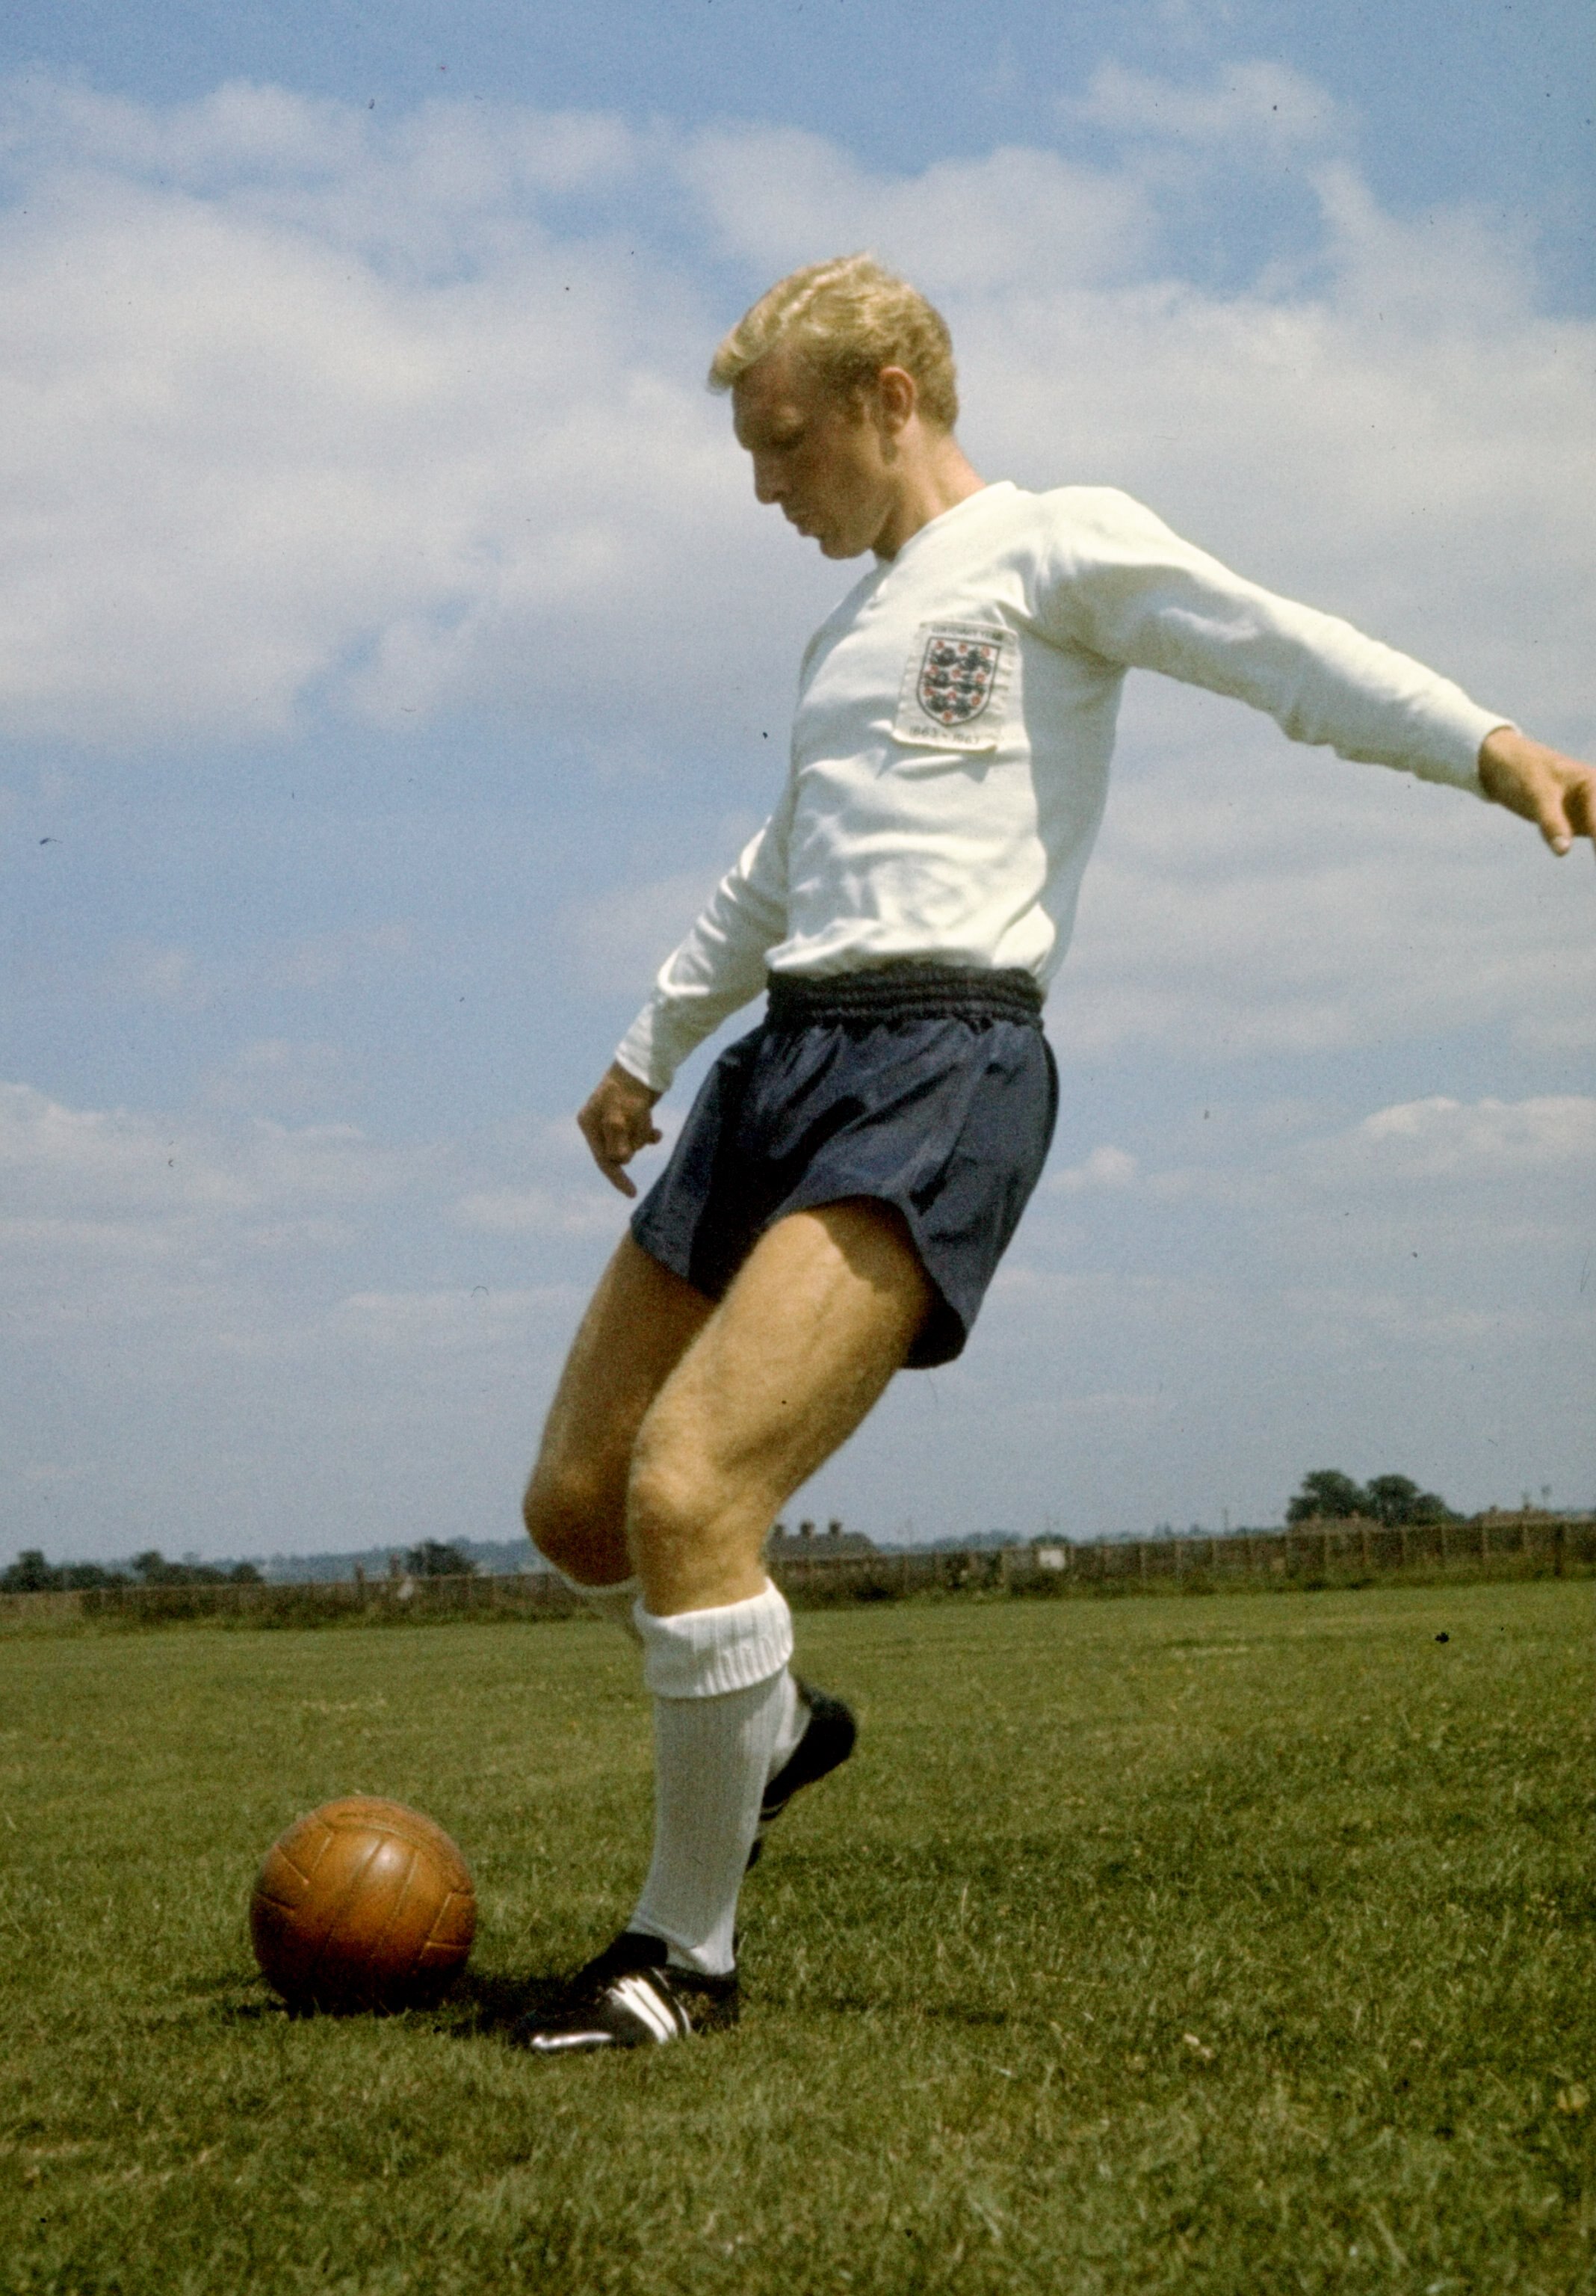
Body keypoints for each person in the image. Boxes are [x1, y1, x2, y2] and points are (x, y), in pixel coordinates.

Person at [512, 255, 1595, 2054]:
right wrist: (646, 1051)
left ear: (888, 400)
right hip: (784, 1057)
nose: (763, 488)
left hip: (945, 1054)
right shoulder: (845, 631)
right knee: (577, 1507)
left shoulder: (1051, 546)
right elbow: (781, 867)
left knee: (696, 1491)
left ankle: (677, 1959)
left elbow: (1272, 646)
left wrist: (1486, 746)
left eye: (783, 444)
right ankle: (766, 1727)